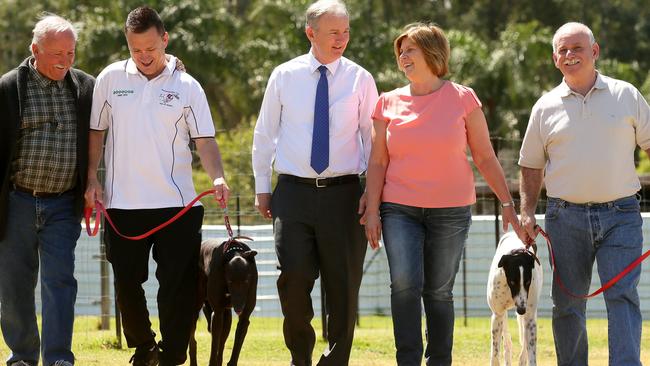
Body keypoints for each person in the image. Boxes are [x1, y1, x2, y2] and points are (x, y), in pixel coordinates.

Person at [361, 23, 520, 366]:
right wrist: (372, 209)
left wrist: (507, 202)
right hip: (399, 208)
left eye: (410, 50)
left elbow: (484, 156)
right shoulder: (386, 102)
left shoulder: (463, 98)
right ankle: (407, 360)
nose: (403, 56)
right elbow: (377, 161)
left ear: (433, 53)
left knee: (438, 291)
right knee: (404, 284)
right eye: (400, 51)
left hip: (451, 211)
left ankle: (439, 361)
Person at [84, 6, 229, 366]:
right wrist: (91, 179)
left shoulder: (187, 86)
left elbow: (205, 140)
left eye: (151, 48)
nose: (144, 57)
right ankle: (144, 346)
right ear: (128, 44)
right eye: (136, 50)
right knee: (127, 284)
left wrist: (218, 176)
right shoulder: (109, 79)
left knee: (177, 286)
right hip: (122, 205)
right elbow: (96, 132)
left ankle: (173, 353)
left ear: (165, 39)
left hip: (178, 207)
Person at [251, 0, 378, 364]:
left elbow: (372, 141)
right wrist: (263, 186)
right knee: (293, 279)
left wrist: (372, 193)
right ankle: (301, 358)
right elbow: (264, 134)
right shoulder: (284, 76)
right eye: (333, 32)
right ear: (311, 33)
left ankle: (336, 360)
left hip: (345, 196)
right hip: (292, 194)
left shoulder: (361, 78)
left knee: (343, 287)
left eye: (346, 32)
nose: (342, 39)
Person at [519, 22, 649, 366]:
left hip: (622, 215)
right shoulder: (544, 107)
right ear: (554, 59)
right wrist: (527, 212)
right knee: (566, 303)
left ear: (595, 51)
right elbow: (530, 165)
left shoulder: (626, 95)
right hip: (564, 218)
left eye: (577, 48)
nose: (569, 55)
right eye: (562, 50)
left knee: (622, 296)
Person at [0, 14, 94, 366]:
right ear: (35, 49)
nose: (65, 61)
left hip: (62, 206)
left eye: (70, 53)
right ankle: (22, 357)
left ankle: (59, 359)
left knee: (60, 284)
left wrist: (172, 63)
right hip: (17, 202)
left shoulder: (85, 87)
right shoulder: (9, 88)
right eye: (57, 54)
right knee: (14, 288)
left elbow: (124, 94)